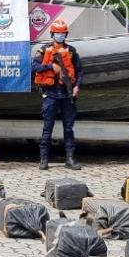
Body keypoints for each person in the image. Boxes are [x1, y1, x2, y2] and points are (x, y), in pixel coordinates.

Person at [32, 19, 82, 170]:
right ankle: (43, 159)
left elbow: (80, 71)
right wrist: (50, 66)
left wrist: (77, 86)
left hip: (67, 95)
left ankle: (70, 159)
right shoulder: (44, 49)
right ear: (52, 34)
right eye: (57, 33)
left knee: (68, 128)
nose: (60, 36)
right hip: (51, 94)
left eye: (62, 33)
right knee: (47, 128)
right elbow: (34, 66)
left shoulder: (72, 51)